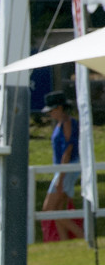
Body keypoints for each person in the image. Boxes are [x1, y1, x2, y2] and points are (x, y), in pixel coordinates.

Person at [42, 91, 84, 242]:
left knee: (49, 209)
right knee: (58, 209)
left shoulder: (67, 123)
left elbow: (67, 151)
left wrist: (60, 177)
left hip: (67, 168)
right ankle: (65, 241)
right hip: (64, 168)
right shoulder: (63, 122)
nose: (50, 113)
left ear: (60, 107)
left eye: (52, 110)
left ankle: (83, 237)